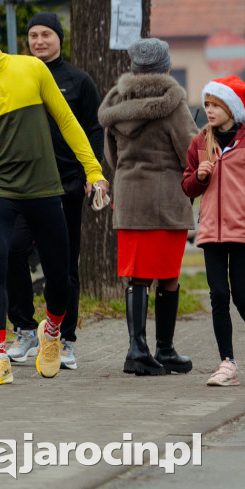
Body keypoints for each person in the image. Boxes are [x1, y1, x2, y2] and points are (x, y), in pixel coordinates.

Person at [0, 9, 107, 385]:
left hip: (44, 187)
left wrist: (94, 171)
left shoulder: (31, 69)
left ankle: (52, 332)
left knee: (59, 274)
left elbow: (67, 121)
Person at [98, 38, 197, 377]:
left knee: (137, 275)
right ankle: (163, 349)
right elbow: (190, 153)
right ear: (166, 68)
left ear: (134, 68)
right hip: (167, 199)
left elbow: (110, 156)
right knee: (168, 275)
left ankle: (137, 349)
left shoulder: (115, 101)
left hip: (130, 198)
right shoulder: (173, 104)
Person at [182, 75, 245, 387]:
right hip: (211, 231)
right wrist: (199, 176)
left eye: (216, 105)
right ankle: (228, 364)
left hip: (243, 231)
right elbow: (188, 187)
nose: (209, 110)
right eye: (207, 104)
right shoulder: (200, 142)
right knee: (218, 296)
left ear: (232, 109)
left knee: (242, 296)